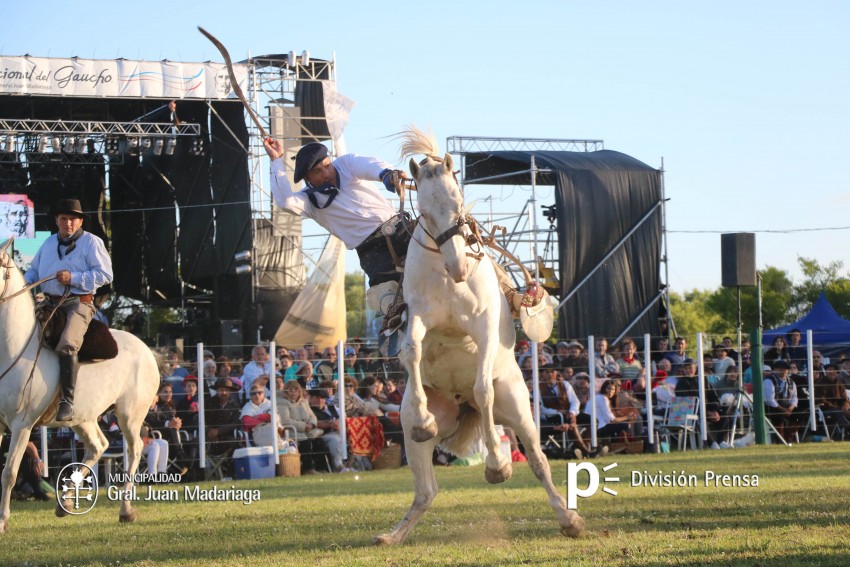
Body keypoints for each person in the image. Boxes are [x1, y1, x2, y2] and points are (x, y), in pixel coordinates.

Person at [24, 198, 113, 421]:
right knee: (22, 335)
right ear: (57, 221)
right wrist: (24, 284)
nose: (68, 223)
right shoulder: (47, 244)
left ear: (80, 221)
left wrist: (73, 277)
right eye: (64, 218)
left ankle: (67, 401)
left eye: (73, 219)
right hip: (49, 303)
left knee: (67, 343)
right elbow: (34, 271)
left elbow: (105, 275)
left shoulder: (92, 243)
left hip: (78, 303)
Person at [278, 381, 332, 474]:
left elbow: (312, 416)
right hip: (292, 431)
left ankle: (322, 468)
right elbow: (285, 421)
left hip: (308, 430)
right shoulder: (282, 403)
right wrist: (304, 426)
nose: (293, 392)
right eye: (290, 390)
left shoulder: (303, 402)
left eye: (296, 390)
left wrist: (311, 424)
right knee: (305, 442)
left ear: (299, 391)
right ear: (286, 391)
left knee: (319, 441)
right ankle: (308, 469)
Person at [205, 378, 242, 463]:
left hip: (226, 437)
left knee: (234, 443)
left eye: (226, 390)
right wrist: (209, 431)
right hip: (208, 437)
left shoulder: (234, 405)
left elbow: (236, 423)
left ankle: (231, 468)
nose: (224, 393)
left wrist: (218, 431)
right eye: (221, 390)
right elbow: (200, 421)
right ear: (217, 391)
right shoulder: (207, 403)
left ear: (230, 392)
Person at [308, 389, 345, 472]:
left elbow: (342, 417)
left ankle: (354, 465)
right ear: (311, 398)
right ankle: (338, 465)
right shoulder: (309, 410)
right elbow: (315, 423)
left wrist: (337, 423)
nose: (321, 401)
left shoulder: (331, 408)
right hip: (321, 435)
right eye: (318, 398)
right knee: (334, 439)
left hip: (338, 432)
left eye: (323, 398)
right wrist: (330, 424)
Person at [764, 360, 801, 442]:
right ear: (775, 369)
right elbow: (769, 400)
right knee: (778, 416)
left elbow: (794, 397)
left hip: (786, 407)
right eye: (780, 369)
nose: (783, 371)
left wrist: (791, 407)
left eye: (785, 369)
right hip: (772, 408)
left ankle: (789, 436)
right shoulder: (769, 380)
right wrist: (783, 409)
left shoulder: (791, 382)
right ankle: (780, 439)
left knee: (800, 413)